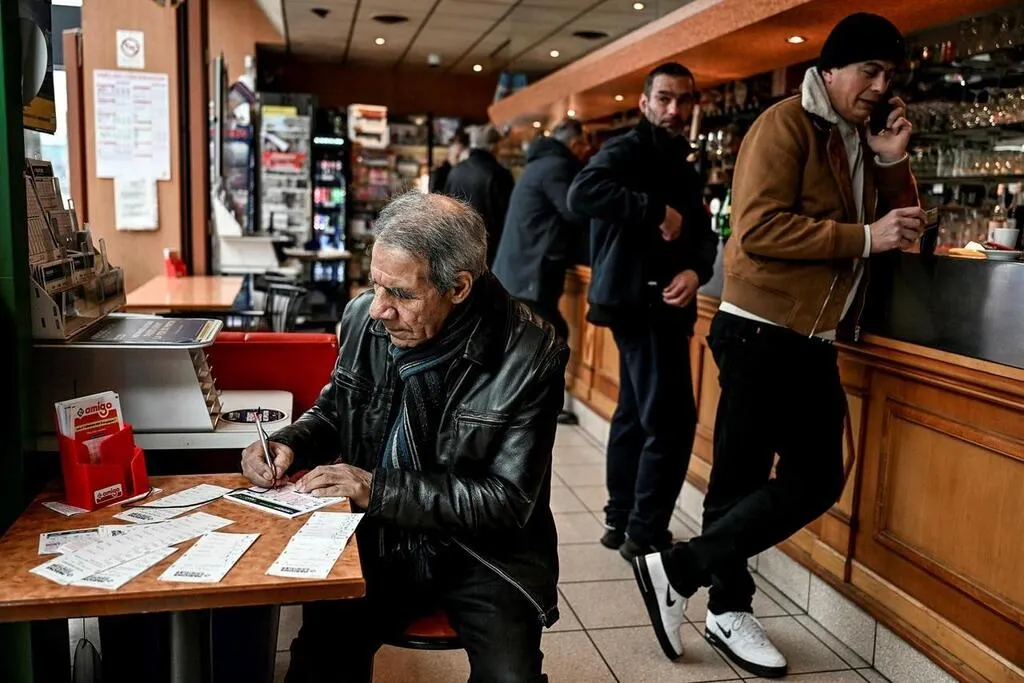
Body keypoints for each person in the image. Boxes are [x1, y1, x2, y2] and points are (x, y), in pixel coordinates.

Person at [632, 14, 924, 678]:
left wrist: (891, 160)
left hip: (811, 336)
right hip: (759, 328)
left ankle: (679, 570)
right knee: (740, 481)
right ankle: (726, 608)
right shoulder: (785, 124)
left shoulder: (858, 137)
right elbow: (759, 228)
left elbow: (901, 229)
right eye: (870, 71)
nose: (881, 87)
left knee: (816, 478)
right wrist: (864, 237)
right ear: (831, 69)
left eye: (890, 75)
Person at [241, 192, 567, 683]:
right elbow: (336, 411)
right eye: (375, 285)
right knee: (318, 660)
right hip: (380, 532)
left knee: (510, 677)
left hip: (483, 551)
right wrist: (289, 443)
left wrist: (377, 488)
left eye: (401, 294)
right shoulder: (363, 317)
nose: (379, 309)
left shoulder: (531, 352)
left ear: (458, 287)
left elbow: (505, 502)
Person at [567, 62, 718, 563]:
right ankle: (645, 531)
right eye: (665, 98)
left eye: (683, 100)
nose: (674, 109)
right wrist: (656, 210)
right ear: (645, 103)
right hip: (643, 303)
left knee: (635, 414)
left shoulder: (681, 159)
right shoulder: (629, 148)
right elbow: (582, 192)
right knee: (671, 423)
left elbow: (700, 234)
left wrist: (696, 270)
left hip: (659, 299)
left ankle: (621, 522)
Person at [493, 118, 590, 425]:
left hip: (519, 269)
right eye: (584, 145)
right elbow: (576, 212)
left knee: (533, 340)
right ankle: (537, 407)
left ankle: (519, 405)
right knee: (550, 339)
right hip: (531, 272)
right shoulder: (557, 167)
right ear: (574, 143)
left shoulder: (540, 164)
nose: (586, 151)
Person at [443, 124, 516, 266]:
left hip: (458, 247)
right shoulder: (499, 174)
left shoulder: (456, 171)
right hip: (490, 250)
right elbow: (508, 217)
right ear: (494, 147)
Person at [428, 128, 469, 194]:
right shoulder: (439, 172)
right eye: (457, 156)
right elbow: (433, 195)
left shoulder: (464, 171)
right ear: (450, 150)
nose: (460, 159)